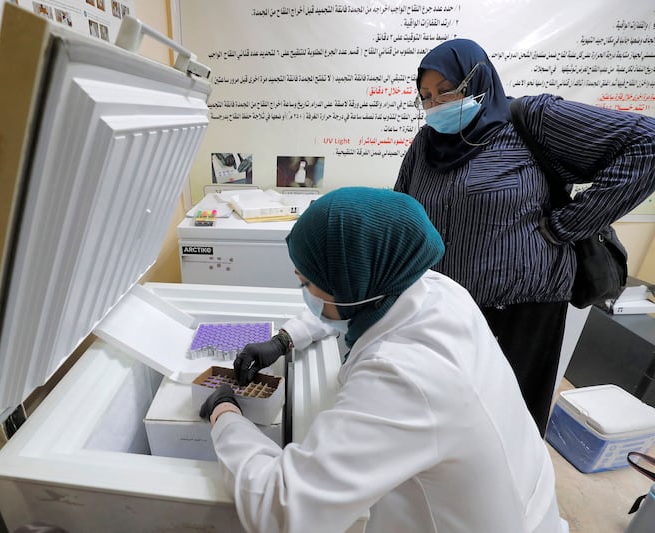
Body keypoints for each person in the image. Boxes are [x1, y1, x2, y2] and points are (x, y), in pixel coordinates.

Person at [198, 187, 565, 533]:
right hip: (525, 496)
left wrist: (227, 417)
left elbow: (283, 509)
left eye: (306, 283)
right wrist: (285, 338)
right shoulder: (434, 287)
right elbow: (360, 301)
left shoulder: (402, 378)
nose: (304, 292)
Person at [393, 38, 655, 436]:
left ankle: (512, 495)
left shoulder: (531, 120)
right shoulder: (427, 143)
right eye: (426, 97)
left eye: (447, 90)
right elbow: (403, 209)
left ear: (477, 79)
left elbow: (647, 144)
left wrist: (569, 223)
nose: (437, 104)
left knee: (508, 421)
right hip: (446, 310)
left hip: (521, 312)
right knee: (450, 419)